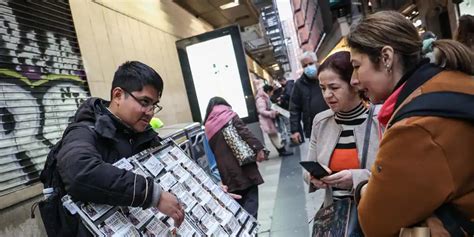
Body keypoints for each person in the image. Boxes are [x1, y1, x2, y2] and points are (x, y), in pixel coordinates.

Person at [347, 11, 474, 236]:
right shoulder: (451, 80)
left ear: (386, 57)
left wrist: (364, 189)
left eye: (357, 66)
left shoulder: (413, 129)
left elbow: (374, 223)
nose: (353, 80)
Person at [45, 61, 184, 236]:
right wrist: (152, 195)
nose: (150, 112)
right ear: (118, 95)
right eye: (144, 101)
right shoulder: (83, 131)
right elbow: (80, 172)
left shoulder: (146, 135)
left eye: (154, 105)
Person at [303, 51, 380, 207]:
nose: (327, 95)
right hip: (337, 215)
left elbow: (396, 176)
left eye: (334, 87)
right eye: (322, 88)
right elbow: (308, 167)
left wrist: (356, 178)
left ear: (354, 84)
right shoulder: (320, 122)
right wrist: (313, 176)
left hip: (375, 211)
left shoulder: (380, 120)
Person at [203, 97, 267, 218]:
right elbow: (245, 132)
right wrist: (258, 149)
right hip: (244, 168)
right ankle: (251, 229)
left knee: (239, 207)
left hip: (227, 175)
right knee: (252, 203)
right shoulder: (229, 115)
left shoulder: (207, 127)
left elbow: (211, 154)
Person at [290, 51, 329, 145]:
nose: (308, 67)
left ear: (316, 62)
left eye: (310, 64)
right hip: (314, 128)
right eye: (305, 66)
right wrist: (294, 130)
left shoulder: (327, 76)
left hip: (334, 122)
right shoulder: (299, 84)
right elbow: (294, 108)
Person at [255, 85, 293, 157]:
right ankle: (282, 151)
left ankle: (282, 151)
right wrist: (273, 113)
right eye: (272, 92)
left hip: (268, 120)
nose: (272, 94)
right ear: (268, 91)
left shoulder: (264, 97)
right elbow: (262, 111)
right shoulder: (261, 99)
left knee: (274, 136)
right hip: (266, 121)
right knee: (274, 136)